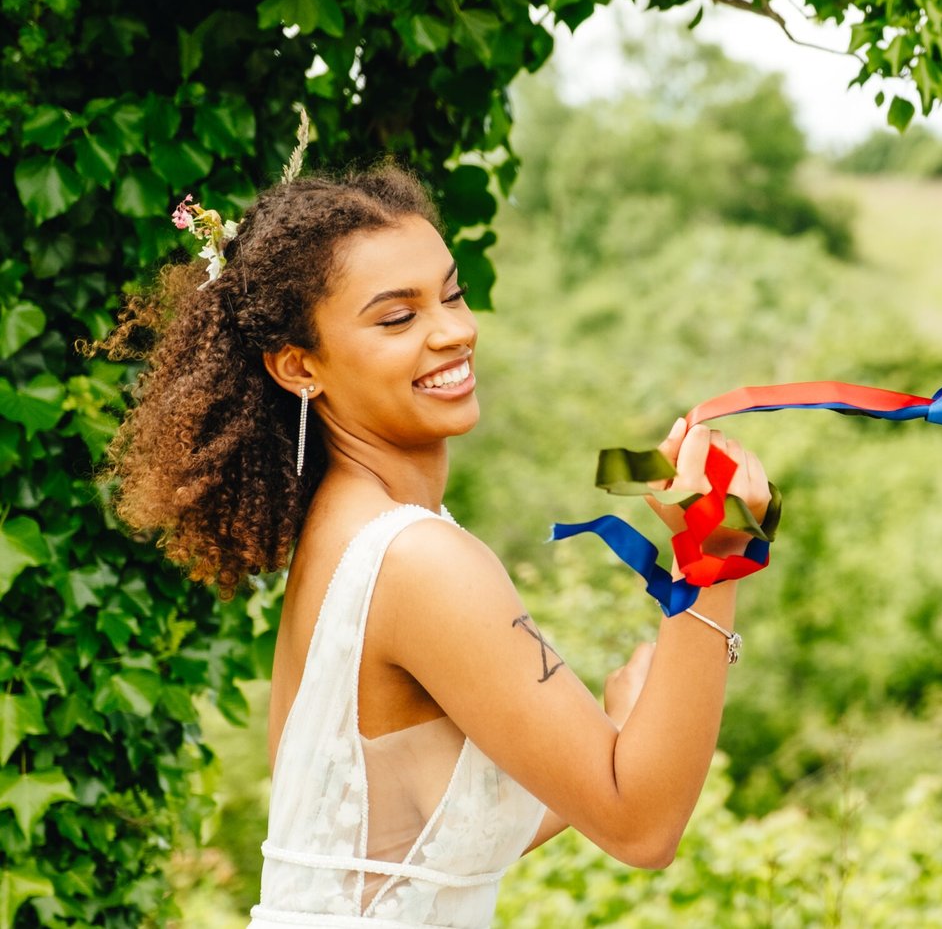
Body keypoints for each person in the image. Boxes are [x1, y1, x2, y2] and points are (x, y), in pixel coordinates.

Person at [98, 165, 772, 927]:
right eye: (396, 319)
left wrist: (618, 737)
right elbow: (644, 829)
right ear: (299, 366)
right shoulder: (417, 561)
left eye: (450, 294)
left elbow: (413, 859)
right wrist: (716, 553)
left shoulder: (348, 531)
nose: (453, 330)